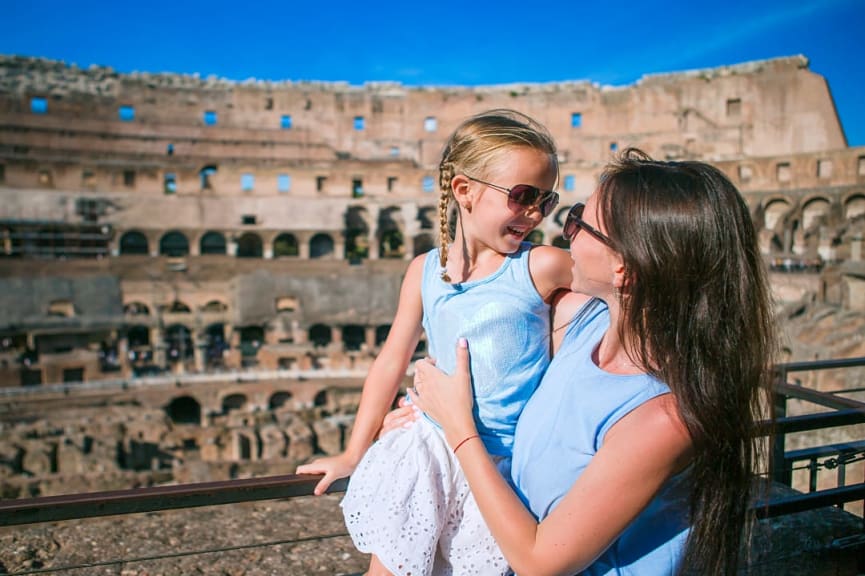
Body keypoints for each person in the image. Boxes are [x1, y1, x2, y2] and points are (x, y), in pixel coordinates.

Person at [409, 148, 776, 575]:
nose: (564, 234)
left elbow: (540, 563)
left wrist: (458, 429)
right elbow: (483, 333)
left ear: (625, 268)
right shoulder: (585, 325)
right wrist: (419, 415)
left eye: (580, 222)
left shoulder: (663, 418)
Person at [297, 109, 573, 575]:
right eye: (524, 196)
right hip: (426, 448)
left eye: (545, 202)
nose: (534, 213)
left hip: (503, 463)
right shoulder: (425, 270)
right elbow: (391, 360)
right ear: (464, 191)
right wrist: (353, 451)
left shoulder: (542, 265)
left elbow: (623, 278)